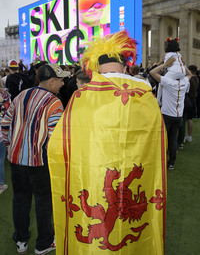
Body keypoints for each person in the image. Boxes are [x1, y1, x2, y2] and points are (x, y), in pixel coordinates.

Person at [48, 30, 167, 255]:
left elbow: (59, 143)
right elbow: (158, 141)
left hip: (94, 176)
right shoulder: (145, 95)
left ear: (95, 69)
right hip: (134, 174)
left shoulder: (81, 97)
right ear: (125, 66)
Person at [2, 63, 69, 255]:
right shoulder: (54, 102)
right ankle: (43, 243)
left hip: (16, 160)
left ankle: (21, 240)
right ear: (52, 80)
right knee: (43, 202)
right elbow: (55, 138)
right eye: (61, 80)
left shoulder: (21, 96)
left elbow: (5, 123)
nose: (63, 84)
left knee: (20, 200)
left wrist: (10, 146)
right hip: (39, 162)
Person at [150, 57, 191, 170]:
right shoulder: (184, 82)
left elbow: (152, 72)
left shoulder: (168, 82)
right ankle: (171, 163)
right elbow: (190, 75)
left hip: (167, 115)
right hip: (178, 116)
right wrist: (183, 65)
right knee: (172, 140)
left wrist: (164, 64)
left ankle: (160, 162)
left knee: (162, 139)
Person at [0, 79, 10, 194]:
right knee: (1, 158)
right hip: (2, 129)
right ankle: (1, 184)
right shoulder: (5, 95)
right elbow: (9, 113)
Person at [184, 64, 199, 142]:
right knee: (190, 119)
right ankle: (189, 135)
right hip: (193, 100)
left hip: (189, 99)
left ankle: (184, 136)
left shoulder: (190, 79)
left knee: (185, 119)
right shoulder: (196, 79)